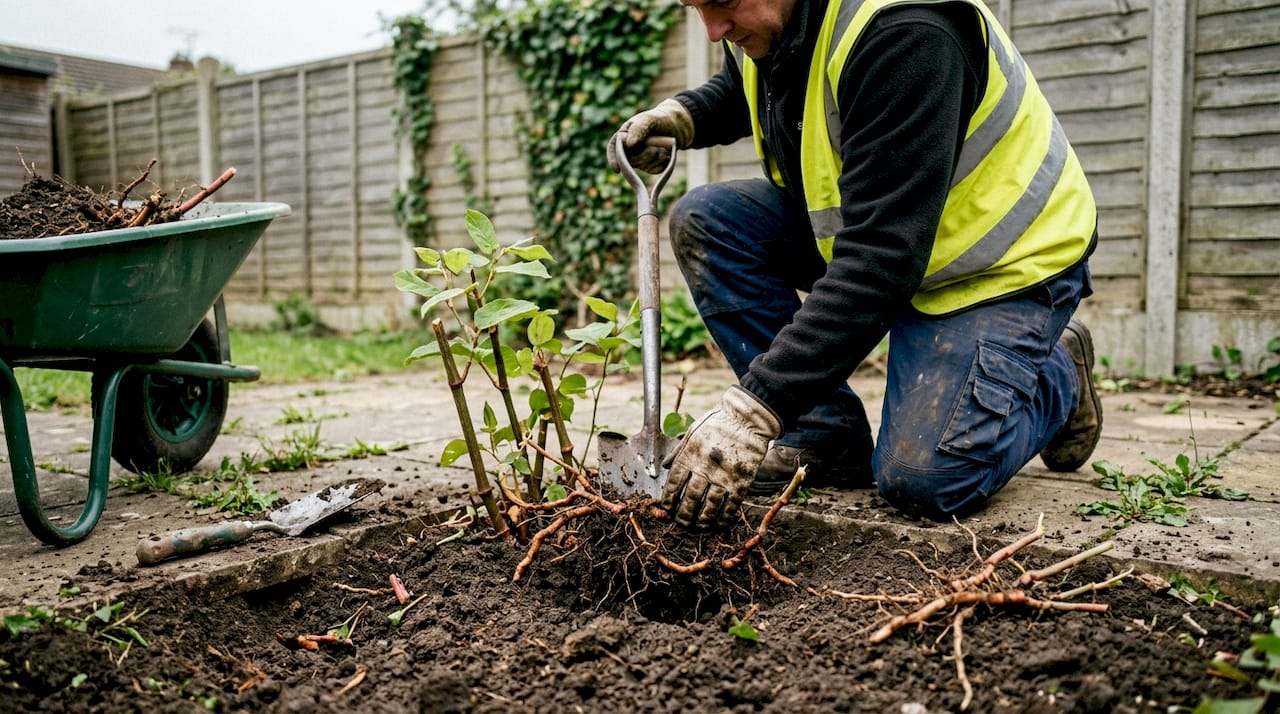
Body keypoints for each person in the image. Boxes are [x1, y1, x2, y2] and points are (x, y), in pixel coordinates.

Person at [607, 0, 1103, 529]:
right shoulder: (779, 20)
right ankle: (824, 436)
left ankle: (1057, 375)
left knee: (923, 478)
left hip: (997, 264)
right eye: (696, 8)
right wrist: (684, 116)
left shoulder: (908, 30)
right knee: (710, 221)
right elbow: (751, 79)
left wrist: (753, 411)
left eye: (724, 3)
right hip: (889, 239)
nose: (712, 31)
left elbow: (879, 262)